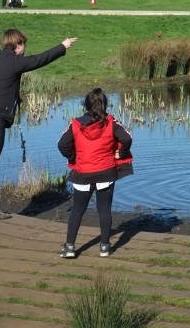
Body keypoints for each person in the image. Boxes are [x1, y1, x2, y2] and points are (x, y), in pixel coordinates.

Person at [0, 29, 77, 230]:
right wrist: (62, 46)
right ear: (18, 45)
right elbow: (39, 60)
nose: (24, 51)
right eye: (23, 46)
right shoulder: (13, 61)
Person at [57, 88, 133, 258]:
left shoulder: (75, 124)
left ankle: (70, 248)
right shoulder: (112, 122)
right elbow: (127, 138)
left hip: (82, 173)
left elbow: (62, 144)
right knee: (104, 210)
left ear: (86, 105)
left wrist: (73, 156)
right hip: (106, 173)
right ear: (104, 104)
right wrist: (120, 153)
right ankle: (105, 247)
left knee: (77, 210)